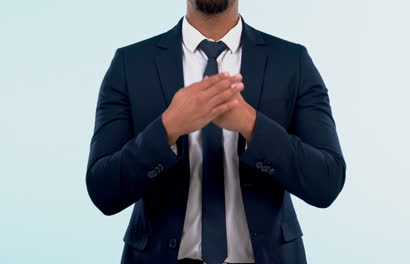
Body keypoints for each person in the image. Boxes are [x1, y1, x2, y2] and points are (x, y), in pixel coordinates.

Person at [85, 0, 346, 263]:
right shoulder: (130, 64)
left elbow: (326, 182)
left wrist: (252, 125)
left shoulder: (292, 62)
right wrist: (168, 129)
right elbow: (103, 191)